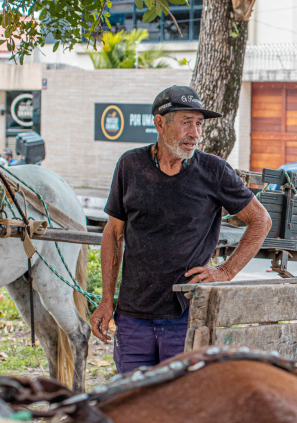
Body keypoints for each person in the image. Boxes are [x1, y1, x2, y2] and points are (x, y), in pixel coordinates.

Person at [89, 85, 272, 372]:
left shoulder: (214, 171)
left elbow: (260, 220)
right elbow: (113, 234)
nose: (195, 133)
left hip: (185, 314)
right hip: (133, 315)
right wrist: (105, 301)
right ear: (160, 123)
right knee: (132, 398)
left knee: (179, 401)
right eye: (186, 122)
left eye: (199, 123)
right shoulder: (130, 166)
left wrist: (225, 272)